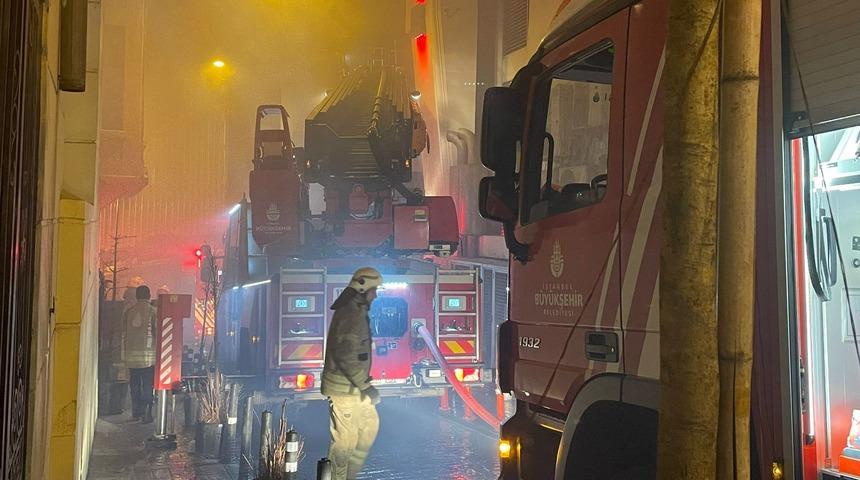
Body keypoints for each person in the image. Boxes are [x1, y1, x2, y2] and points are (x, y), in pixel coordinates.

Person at [321, 267, 383, 480]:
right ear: (362, 288)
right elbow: (347, 354)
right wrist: (366, 386)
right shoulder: (350, 314)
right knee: (345, 441)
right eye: (374, 290)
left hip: (352, 388)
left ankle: (349, 475)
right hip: (344, 389)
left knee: (369, 426)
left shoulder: (355, 311)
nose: (375, 295)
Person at [123, 285, 157, 423]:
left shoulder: (129, 311)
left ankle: (136, 413)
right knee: (148, 385)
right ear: (149, 296)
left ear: (137, 296)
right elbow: (156, 331)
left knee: (135, 385)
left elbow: (124, 330)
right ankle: (147, 413)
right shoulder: (153, 311)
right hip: (148, 357)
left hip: (131, 357)